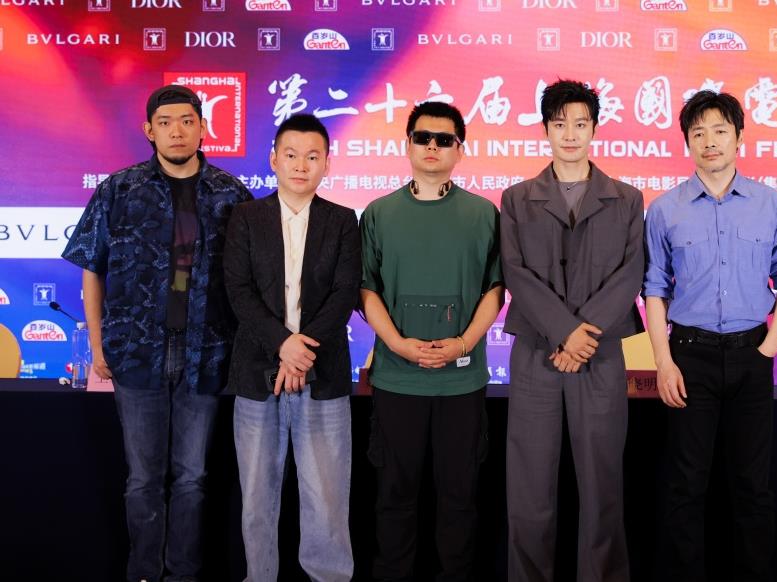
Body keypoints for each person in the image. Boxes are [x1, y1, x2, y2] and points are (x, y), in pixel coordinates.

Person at [62, 84, 252, 582]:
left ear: (203, 128)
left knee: (192, 478)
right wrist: (98, 345)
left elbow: (249, 281)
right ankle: (144, 573)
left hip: (205, 354)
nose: (177, 131)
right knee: (143, 479)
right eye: (165, 122)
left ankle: (183, 574)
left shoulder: (230, 195)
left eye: (187, 121)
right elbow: (92, 269)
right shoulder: (119, 190)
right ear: (149, 130)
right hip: (135, 352)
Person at [643, 90, 777, 582]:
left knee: (753, 486)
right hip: (688, 357)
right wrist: (663, 361)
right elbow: (654, 289)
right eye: (698, 133)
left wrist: (768, 348)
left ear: (738, 137)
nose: (709, 141)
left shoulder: (769, 203)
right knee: (685, 485)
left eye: (719, 131)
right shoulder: (665, 209)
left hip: (751, 354)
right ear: (687, 142)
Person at [499, 79, 644, 582]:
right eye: (560, 124)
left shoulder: (627, 199)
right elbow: (515, 271)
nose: (570, 134)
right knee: (529, 489)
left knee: (603, 487)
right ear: (545, 129)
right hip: (537, 354)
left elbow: (630, 273)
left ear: (594, 129)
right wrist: (564, 332)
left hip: (600, 355)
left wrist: (583, 336)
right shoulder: (517, 199)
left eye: (580, 124)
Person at [359, 101, 504, 581]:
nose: (432, 147)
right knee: (393, 496)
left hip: (461, 383)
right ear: (408, 145)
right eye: (423, 137)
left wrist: (464, 343)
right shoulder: (378, 214)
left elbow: (495, 289)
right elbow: (367, 290)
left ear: (460, 150)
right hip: (397, 379)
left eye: (444, 139)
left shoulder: (483, 214)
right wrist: (398, 344)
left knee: (459, 499)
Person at [222, 114, 360, 582]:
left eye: (313, 156)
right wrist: (284, 344)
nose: (301, 165)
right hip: (256, 373)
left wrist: (302, 354)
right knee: (257, 496)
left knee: (327, 496)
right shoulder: (245, 218)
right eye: (292, 155)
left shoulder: (342, 221)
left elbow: (344, 293)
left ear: (327, 164)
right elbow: (238, 290)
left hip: (324, 375)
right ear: (273, 160)